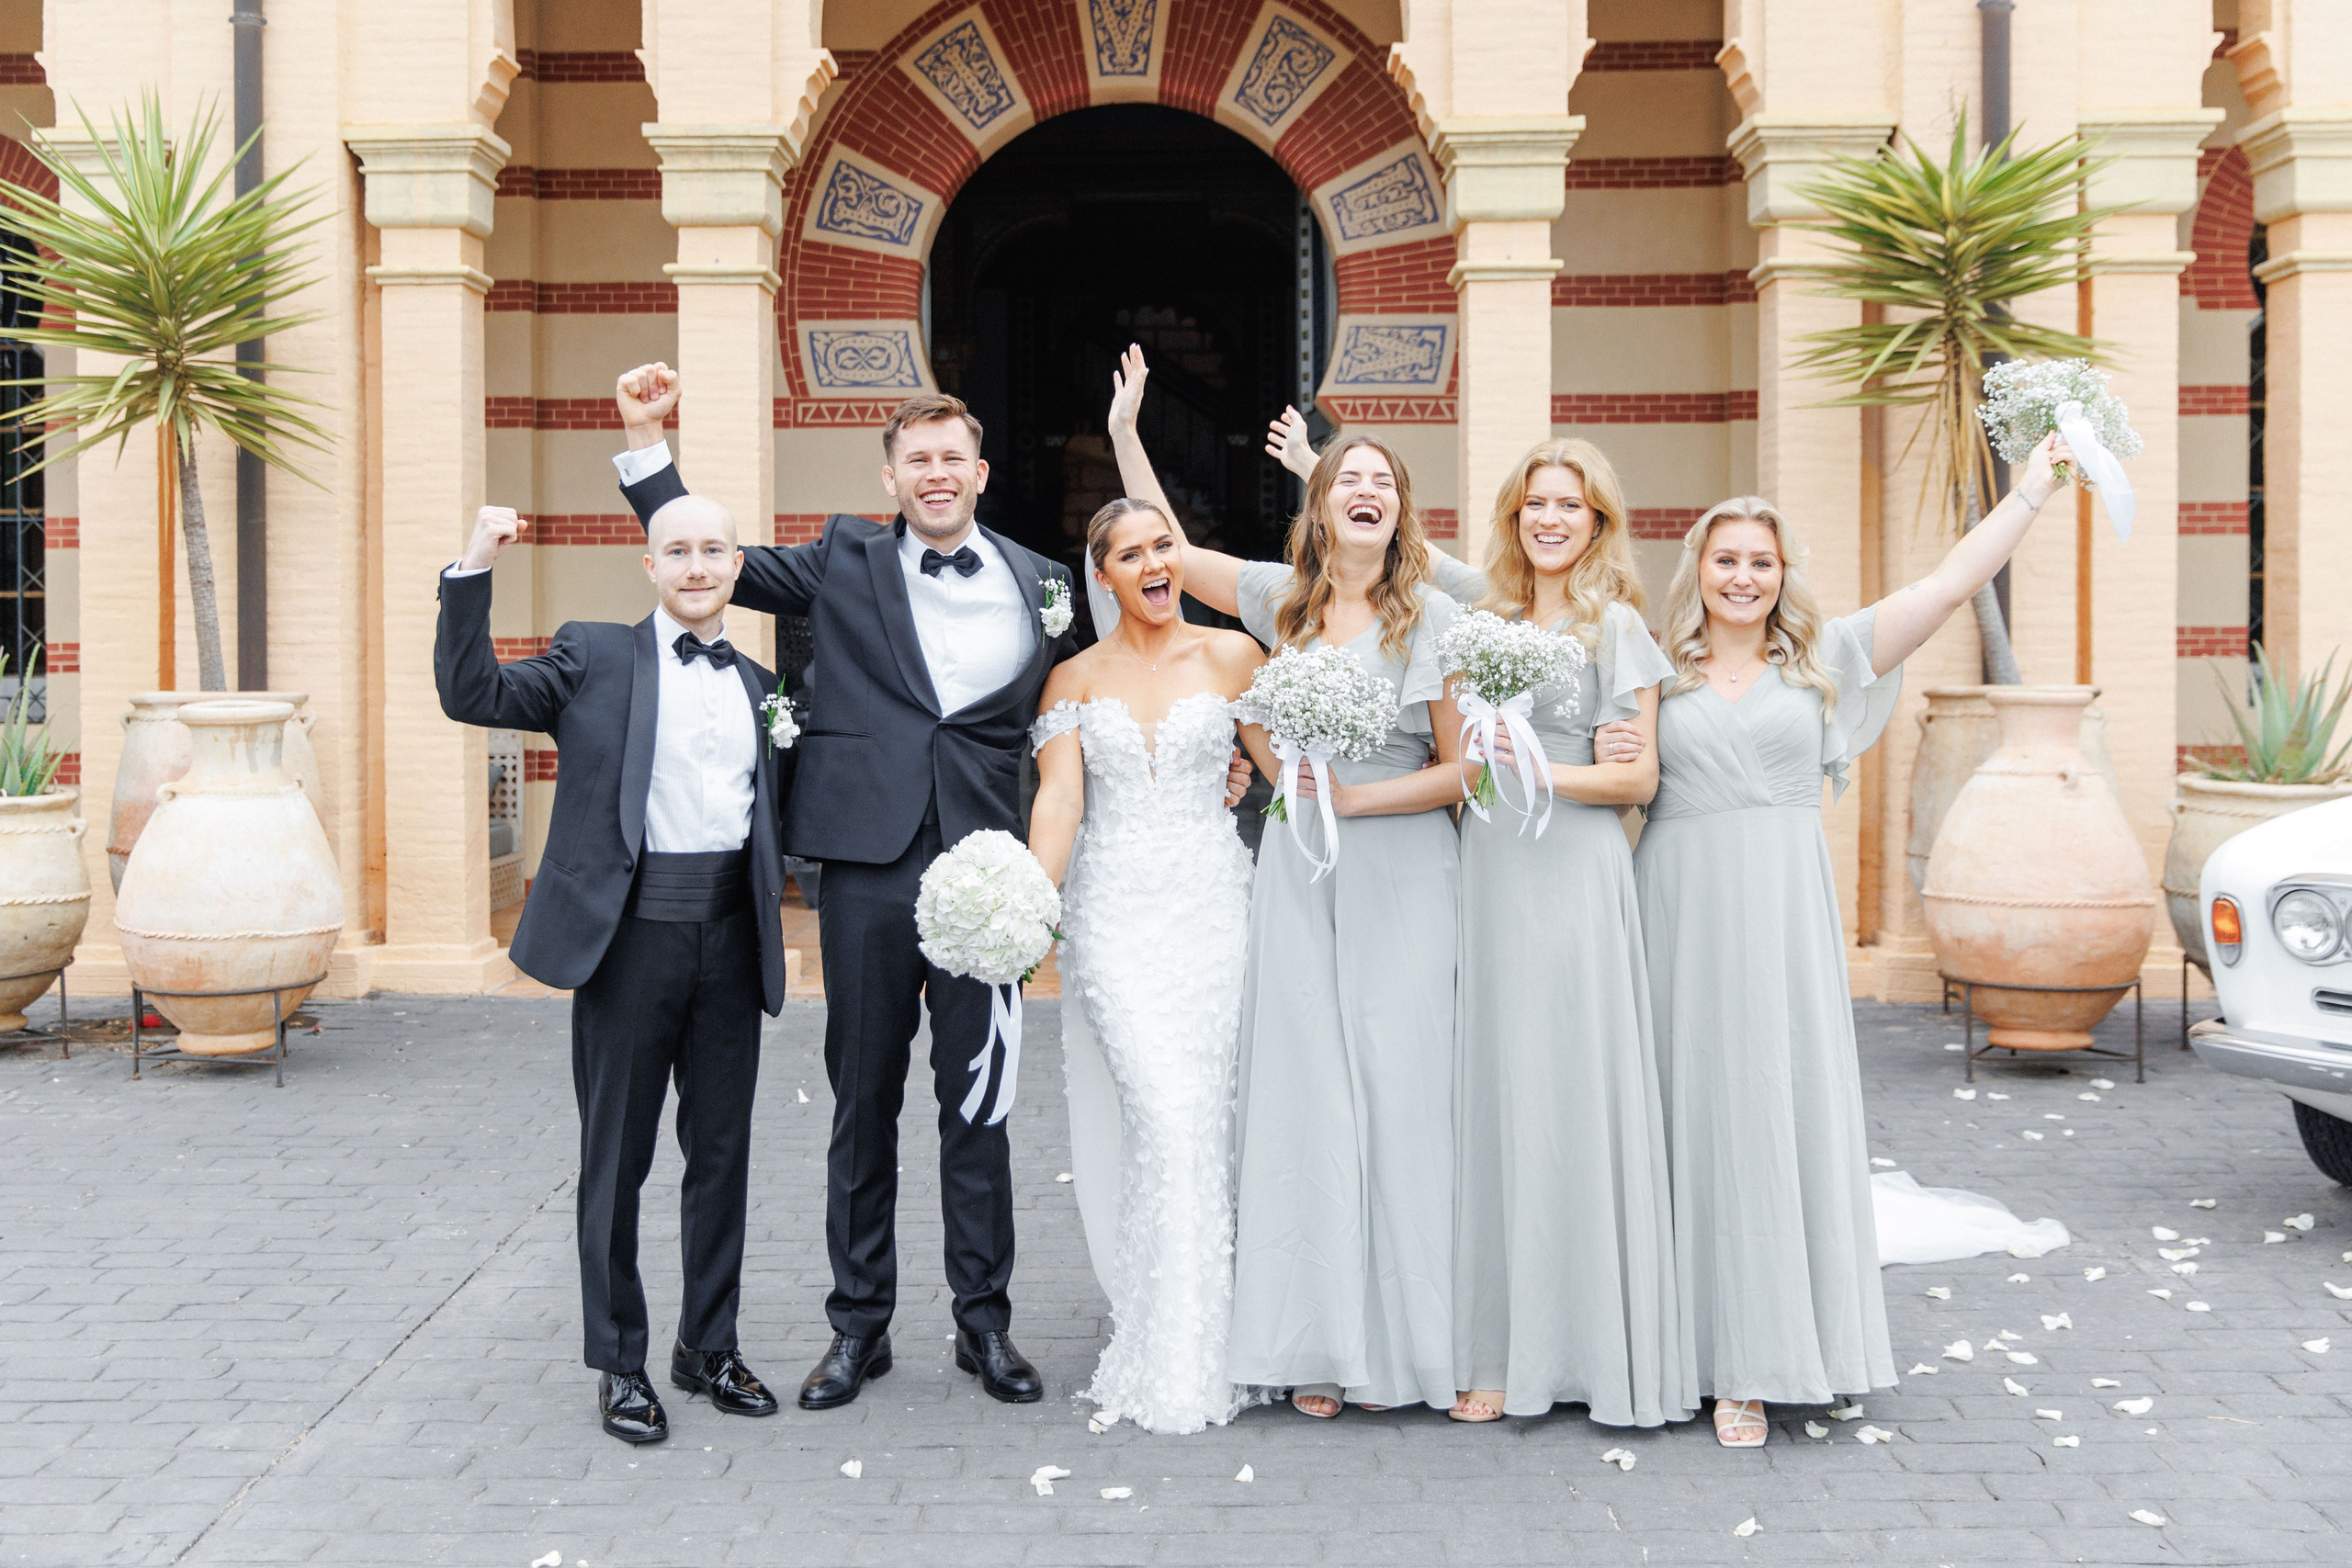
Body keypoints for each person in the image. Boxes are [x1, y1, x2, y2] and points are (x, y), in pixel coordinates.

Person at [604, 366, 1248, 1413]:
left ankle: (982, 1325)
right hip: (863, 866)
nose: (937, 474)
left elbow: (1123, 677)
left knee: (979, 1103)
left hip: (987, 872)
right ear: (891, 477)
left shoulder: (1044, 579)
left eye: (954, 458)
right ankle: (857, 1329)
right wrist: (645, 444)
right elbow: (710, 560)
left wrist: (1231, 761)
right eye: (918, 461)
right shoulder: (840, 558)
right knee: (862, 1102)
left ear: (981, 472)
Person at [1635, 434, 2074, 1447]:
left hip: (1782, 910)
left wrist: (2032, 495)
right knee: (1686, 1118)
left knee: (1768, 1116)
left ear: (1781, 577)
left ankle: (1756, 1360)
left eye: (1761, 562)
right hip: (1675, 909)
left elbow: (1949, 580)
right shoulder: (1651, 668)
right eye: (1726, 559)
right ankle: (1676, 1347)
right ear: (1697, 569)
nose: (1743, 577)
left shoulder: (1827, 656)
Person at [1106, 345, 1466, 1417]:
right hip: (1301, 879)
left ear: (1402, 512)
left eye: (1383, 482)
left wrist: (1358, 802)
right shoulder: (1280, 602)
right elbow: (1165, 549)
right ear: (1318, 504)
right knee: (1309, 1100)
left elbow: (1462, 771)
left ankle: (1416, 1342)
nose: (1365, 492)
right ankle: (1317, 1340)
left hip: (1404, 871)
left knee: (1403, 1097)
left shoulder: (1435, 619)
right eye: (1345, 479)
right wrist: (1128, 432)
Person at [434, 498, 790, 1446]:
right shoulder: (592, 654)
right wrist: (476, 562)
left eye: (714, 549)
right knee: (617, 1161)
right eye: (677, 551)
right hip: (629, 942)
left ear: (735, 563)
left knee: (721, 1158)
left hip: (729, 937)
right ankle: (620, 1362)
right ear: (649, 567)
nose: (697, 565)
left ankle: (707, 1347)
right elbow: (473, 695)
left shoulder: (763, 684)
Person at [1446, 440, 1695, 1429]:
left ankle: (1589, 1345)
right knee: (1499, 1096)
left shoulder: (1619, 626)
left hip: (1577, 870)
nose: (1550, 519)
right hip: (1491, 865)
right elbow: (1456, 756)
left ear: (1598, 522)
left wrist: (1533, 773)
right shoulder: (1480, 621)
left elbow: (1636, 781)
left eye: (1571, 505)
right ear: (1512, 519)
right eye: (1534, 504)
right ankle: (1500, 1348)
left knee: (1573, 1095)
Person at [1026, 498, 1270, 1435]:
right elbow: (1060, 807)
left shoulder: (1235, 657)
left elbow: (1288, 779)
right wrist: (1025, 908)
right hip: (1117, 920)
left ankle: (1227, 1336)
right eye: (1131, 553)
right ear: (1105, 577)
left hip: (1217, 909)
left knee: (1207, 1120)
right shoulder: (1071, 682)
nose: (1154, 563)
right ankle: (1172, 1347)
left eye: (1164, 545)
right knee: (1166, 1118)